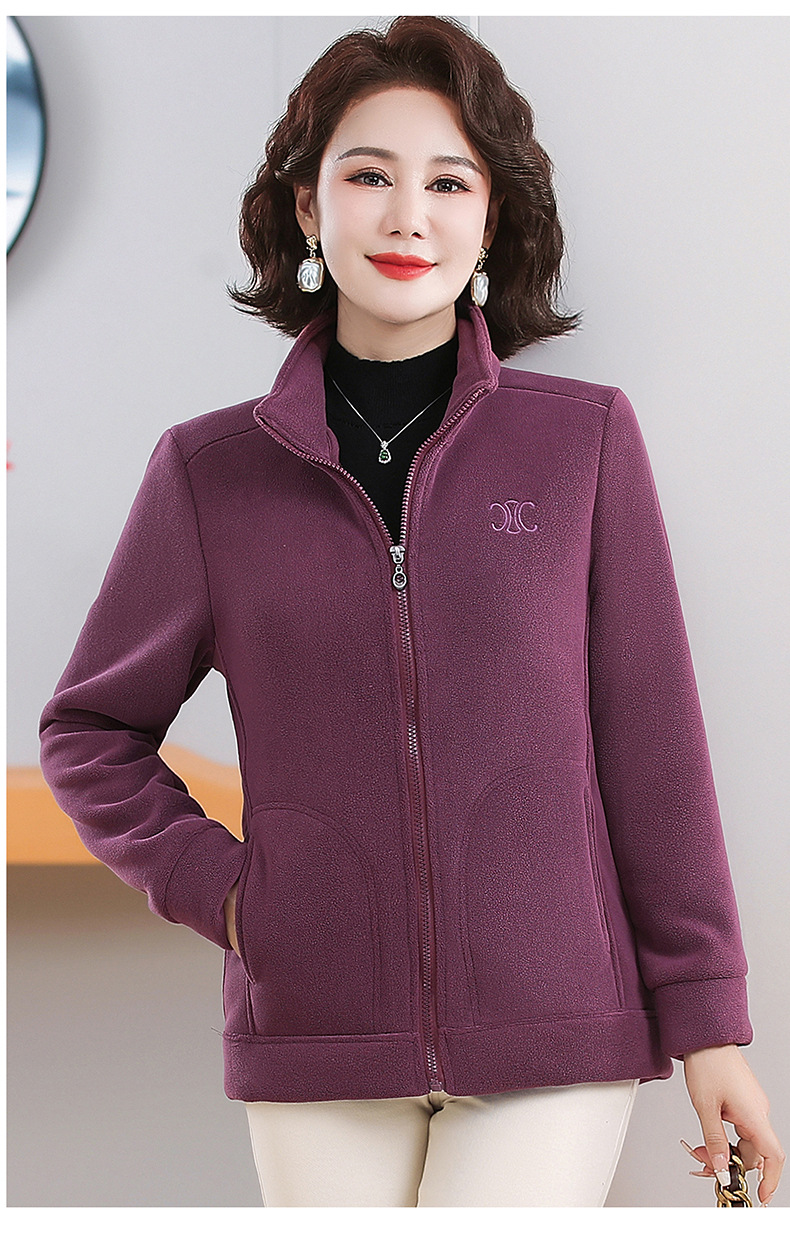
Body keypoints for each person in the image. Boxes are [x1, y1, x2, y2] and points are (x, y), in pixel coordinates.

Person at [38, 15, 784, 1208]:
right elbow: (88, 731)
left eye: (448, 182)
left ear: (491, 219)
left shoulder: (581, 444)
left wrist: (708, 1024)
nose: (406, 217)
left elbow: (653, 747)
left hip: (555, 1025)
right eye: (368, 176)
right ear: (306, 208)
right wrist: (233, 896)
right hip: (317, 1032)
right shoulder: (209, 475)